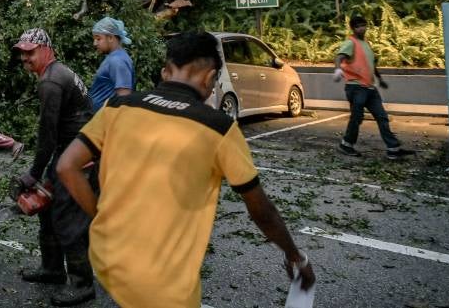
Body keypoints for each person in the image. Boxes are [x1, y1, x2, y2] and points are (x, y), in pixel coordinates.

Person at [56, 31, 315, 308]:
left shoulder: (118, 107)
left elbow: (67, 166)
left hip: (107, 257)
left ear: (165, 72)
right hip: (163, 282)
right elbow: (261, 210)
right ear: (209, 78)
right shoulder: (218, 128)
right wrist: (294, 256)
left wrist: (99, 217)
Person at [13, 28, 96, 307]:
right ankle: (52, 270)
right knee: (47, 209)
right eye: (22, 53)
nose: (25, 58)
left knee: (67, 218)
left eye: (30, 52)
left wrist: (33, 174)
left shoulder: (51, 82)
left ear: (47, 50)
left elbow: (47, 135)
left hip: (80, 156)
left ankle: (82, 284)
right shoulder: (58, 72)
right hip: (70, 150)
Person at [334, 14, 415, 160]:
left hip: (370, 88)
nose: (362, 28)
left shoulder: (366, 43)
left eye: (364, 25)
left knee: (382, 116)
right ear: (353, 28)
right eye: (358, 26)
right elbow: (339, 56)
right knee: (357, 118)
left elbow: (371, 64)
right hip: (356, 87)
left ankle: (393, 149)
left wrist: (380, 79)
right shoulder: (350, 43)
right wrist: (338, 69)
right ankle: (346, 144)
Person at [87, 16, 135, 111]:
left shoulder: (118, 61)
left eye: (98, 39)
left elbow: (124, 98)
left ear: (110, 37)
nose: (94, 43)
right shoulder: (113, 58)